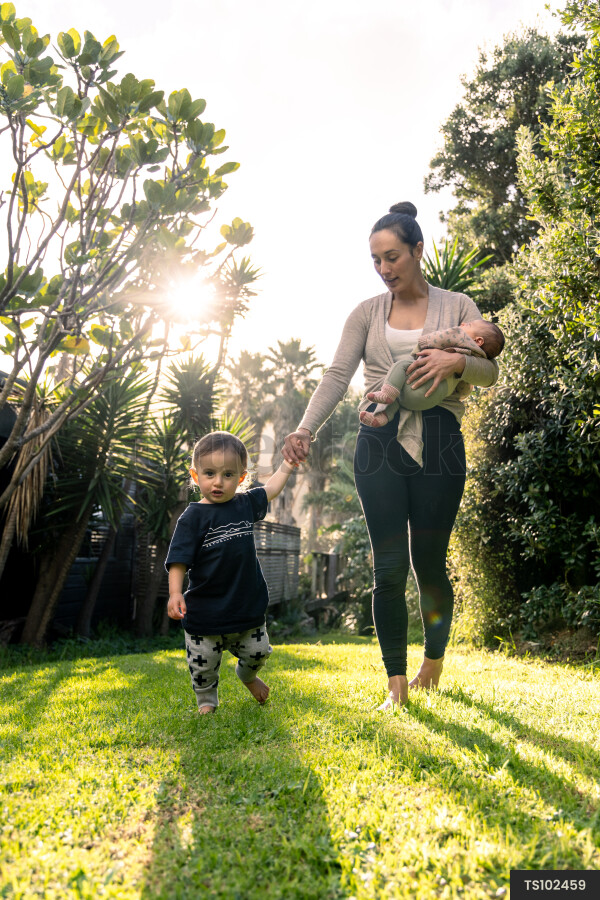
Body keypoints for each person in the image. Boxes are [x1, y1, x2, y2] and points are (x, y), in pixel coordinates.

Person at [282, 202, 500, 708]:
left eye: (393, 257)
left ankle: (434, 662)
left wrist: (456, 360)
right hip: (378, 439)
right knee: (388, 565)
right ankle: (395, 684)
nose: (384, 269)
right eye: (376, 260)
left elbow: (491, 370)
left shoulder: (458, 305)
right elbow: (338, 375)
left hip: (441, 440)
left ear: (418, 250)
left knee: (429, 562)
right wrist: (305, 428)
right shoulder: (366, 313)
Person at [166, 431, 297, 714]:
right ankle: (206, 701)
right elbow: (178, 560)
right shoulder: (192, 518)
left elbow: (272, 488)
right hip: (204, 611)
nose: (217, 481)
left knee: (258, 651)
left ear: (241, 478)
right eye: (209, 473)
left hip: (244, 606)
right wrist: (175, 593)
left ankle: (247, 676)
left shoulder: (244, 504)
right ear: (195, 474)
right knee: (203, 663)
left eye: (227, 475)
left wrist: (287, 464)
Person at [359, 319, 504, 428]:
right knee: (400, 395)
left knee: (401, 366)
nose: (464, 323)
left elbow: (439, 338)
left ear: (478, 341)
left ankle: (386, 395)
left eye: (469, 325)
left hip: (434, 407)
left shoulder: (460, 336)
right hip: (433, 397)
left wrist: (423, 345)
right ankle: (382, 417)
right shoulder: (478, 356)